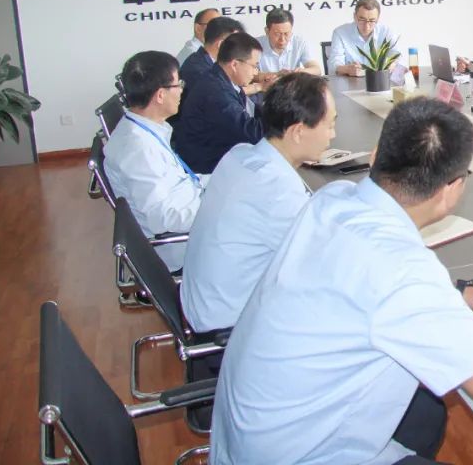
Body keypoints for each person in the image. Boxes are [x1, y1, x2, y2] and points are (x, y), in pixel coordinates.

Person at [210, 98, 473, 465]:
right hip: (302, 455)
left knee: (425, 414)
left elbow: (367, 287)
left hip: (250, 438)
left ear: (374, 157)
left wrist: (458, 295)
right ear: (453, 189)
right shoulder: (402, 271)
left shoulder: (332, 200)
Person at [181, 73, 336, 332]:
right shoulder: (276, 190)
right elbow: (324, 261)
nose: (333, 135)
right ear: (298, 131)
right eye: (329, 125)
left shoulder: (241, 154)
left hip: (204, 300)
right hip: (230, 321)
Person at [104, 51, 206, 272]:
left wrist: (222, 181)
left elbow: (176, 182)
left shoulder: (144, 129)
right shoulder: (137, 150)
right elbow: (163, 218)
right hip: (183, 247)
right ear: (160, 95)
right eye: (178, 84)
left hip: (192, 209)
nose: (182, 90)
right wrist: (219, 206)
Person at [174, 32, 265, 174]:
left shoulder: (220, 79)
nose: (255, 72)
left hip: (220, 158)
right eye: (254, 66)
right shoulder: (216, 92)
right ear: (234, 64)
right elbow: (252, 133)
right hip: (206, 170)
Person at [179, 16, 244, 103]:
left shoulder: (204, 61)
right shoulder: (201, 71)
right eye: (236, 45)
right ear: (221, 44)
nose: (239, 50)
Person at [329, 0, 399, 77]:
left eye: (372, 21)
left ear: (378, 19)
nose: (367, 26)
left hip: (379, 80)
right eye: (362, 20)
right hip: (351, 80)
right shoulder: (340, 33)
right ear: (354, 16)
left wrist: (391, 65)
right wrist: (347, 69)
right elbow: (334, 64)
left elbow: (396, 56)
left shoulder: (386, 32)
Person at [256, 8, 322, 86]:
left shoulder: (299, 43)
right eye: (277, 34)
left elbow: (317, 70)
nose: (282, 39)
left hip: (292, 89)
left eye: (286, 34)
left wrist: (300, 72)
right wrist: (277, 74)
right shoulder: (255, 45)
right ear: (267, 31)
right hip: (265, 90)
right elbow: (250, 76)